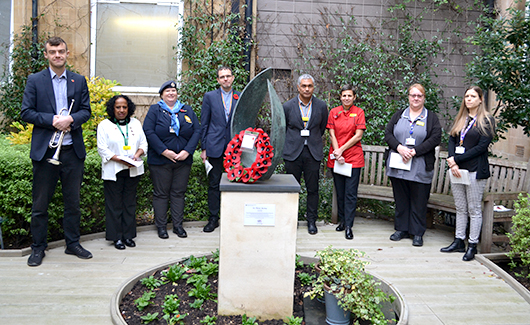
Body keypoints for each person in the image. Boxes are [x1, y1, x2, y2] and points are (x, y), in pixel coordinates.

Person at [21, 36, 92, 266]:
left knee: (73, 203)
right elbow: (27, 112)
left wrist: (71, 118)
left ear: (67, 53)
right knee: (40, 204)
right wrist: (54, 120)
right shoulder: (35, 80)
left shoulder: (78, 80)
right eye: (53, 52)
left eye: (61, 51)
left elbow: (86, 111)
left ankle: (72, 244)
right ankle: (38, 248)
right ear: (46, 55)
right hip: (46, 151)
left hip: (72, 151)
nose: (57, 55)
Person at [441, 86, 495, 261]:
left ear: (480, 99)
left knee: (473, 208)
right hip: (456, 169)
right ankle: (459, 240)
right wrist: (451, 159)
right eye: (466, 96)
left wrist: (456, 159)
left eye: (473, 96)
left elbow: (481, 147)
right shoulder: (461, 118)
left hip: (475, 170)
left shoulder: (487, 120)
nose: (469, 99)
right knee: (461, 207)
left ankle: (472, 245)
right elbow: (452, 138)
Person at [384, 83, 441, 247]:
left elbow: (435, 138)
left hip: (419, 166)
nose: (416, 98)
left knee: (419, 200)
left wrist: (415, 151)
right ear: (408, 97)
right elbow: (388, 133)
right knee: (401, 199)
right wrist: (400, 148)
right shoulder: (398, 115)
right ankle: (401, 229)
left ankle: (417, 233)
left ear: (424, 98)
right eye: (413, 95)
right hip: (399, 165)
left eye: (419, 96)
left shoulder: (431, 118)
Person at [143, 81, 200, 239]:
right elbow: (148, 131)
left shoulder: (186, 109)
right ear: (162, 95)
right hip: (160, 161)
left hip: (183, 161)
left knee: (178, 193)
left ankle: (177, 226)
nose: (171, 93)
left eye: (173, 91)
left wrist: (187, 151)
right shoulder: (155, 110)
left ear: (177, 93)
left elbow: (197, 130)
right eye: (167, 91)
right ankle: (161, 227)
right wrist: (164, 151)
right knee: (161, 194)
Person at [97, 95, 147, 250]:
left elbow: (143, 144)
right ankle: (116, 237)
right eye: (118, 107)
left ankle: (128, 235)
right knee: (114, 205)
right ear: (112, 108)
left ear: (129, 108)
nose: (121, 110)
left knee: (129, 204)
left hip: (132, 170)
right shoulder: (104, 125)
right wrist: (119, 159)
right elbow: (102, 148)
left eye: (124, 107)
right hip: (114, 170)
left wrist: (136, 156)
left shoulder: (136, 123)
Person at [283, 74, 329, 234]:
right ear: (298, 87)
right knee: (291, 189)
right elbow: (284, 128)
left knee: (313, 189)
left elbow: (322, 128)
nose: (307, 89)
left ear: (313, 88)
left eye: (310, 86)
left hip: (312, 152)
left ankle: (311, 221)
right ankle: (291, 220)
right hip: (292, 153)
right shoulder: (288, 106)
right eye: (304, 86)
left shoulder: (321, 106)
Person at [200, 67, 240, 232]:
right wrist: (204, 148)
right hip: (214, 145)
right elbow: (205, 123)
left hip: (235, 147)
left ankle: (233, 218)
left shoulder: (240, 96)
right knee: (214, 184)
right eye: (222, 77)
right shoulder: (210, 97)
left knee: (236, 183)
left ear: (233, 78)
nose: (225, 79)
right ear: (218, 80)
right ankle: (213, 218)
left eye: (228, 76)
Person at [326, 85, 366, 240]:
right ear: (340, 97)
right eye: (344, 96)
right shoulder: (334, 112)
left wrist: (341, 150)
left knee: (350, 193)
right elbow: (331, 133)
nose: (346, 98)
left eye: (349, 95)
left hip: (353, 159)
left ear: (354, 97)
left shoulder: (359, 112)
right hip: (338, 158)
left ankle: (349, 226)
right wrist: (337, 153)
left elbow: (358, 136)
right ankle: (342, 221)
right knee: (340, 192)